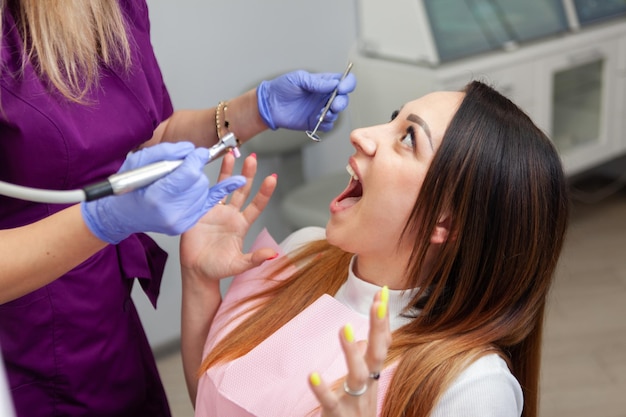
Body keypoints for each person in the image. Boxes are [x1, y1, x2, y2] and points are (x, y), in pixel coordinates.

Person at [0, 1, 356, 416]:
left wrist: (254, 110)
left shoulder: (107, 8)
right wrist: (105, 218)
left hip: (104, 311)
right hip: (22, 335)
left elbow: (146, 139)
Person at [179, 80, 570, 417]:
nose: (362, 134)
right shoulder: (302, 254)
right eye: (394, 119)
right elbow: (212, 403)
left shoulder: (472, 387)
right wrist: (198, 279)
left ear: (445, 223)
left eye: (408, 138)